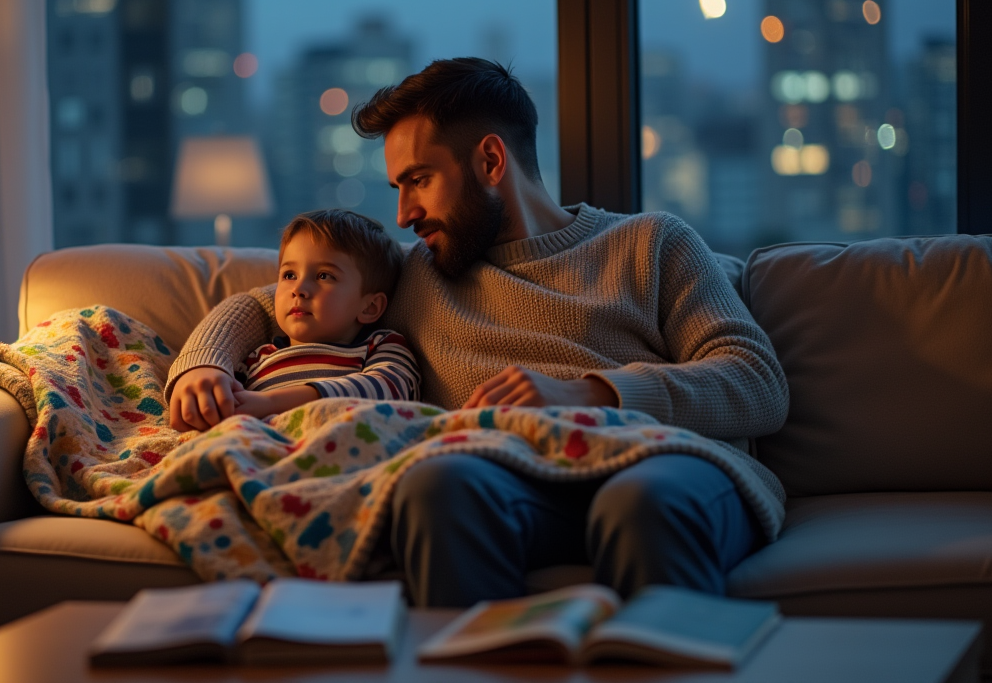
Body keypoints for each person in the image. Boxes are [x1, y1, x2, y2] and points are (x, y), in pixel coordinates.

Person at [166, 58, 789, 607]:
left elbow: (757, 381)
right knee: (437, 487)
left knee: (642, 506)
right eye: (398, 188)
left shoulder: (650, 243)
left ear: (491, 160)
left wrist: (590, 393)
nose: (405, 213)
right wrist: (205, 364)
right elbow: (263, 303)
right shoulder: (420, 275)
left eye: (418, 180)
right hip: (512, 478)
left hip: (664, 466)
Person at [177, 209, 420, 423]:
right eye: (289, 275)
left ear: (370, 307)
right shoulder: (256, 358)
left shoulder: (380, 345)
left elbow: (393, 390)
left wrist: (273, 403)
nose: (299, 289)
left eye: (324, 276)